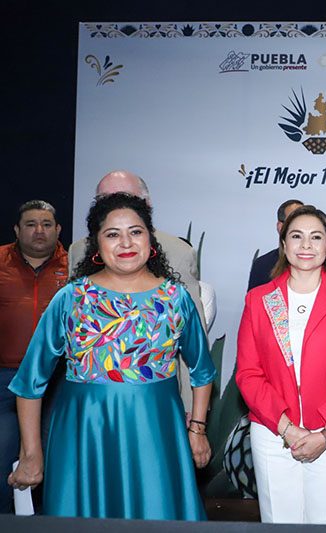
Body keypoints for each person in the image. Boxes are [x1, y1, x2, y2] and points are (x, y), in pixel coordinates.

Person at [7, 193, 215, 520]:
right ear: (97, 244)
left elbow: (202, 371)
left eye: (136, 232)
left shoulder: (176, 299)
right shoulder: (71, 299)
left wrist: (198, 430)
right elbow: (29, 383)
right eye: (113, 234)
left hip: (156, 435)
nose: (126, 243)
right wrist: (31, 453)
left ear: (150, 239)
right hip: (84, 436)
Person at [236, 205, 326, 524]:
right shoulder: (260, 300)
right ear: (283, 244)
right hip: (273, 433)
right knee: (279, 523)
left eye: (316, 237)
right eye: (296, 236)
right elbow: (248, 374)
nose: (306, 245)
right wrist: (287, 428)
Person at [69, 170, 206, 411]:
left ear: (147, 205)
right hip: (89, 402)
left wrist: (190, 410)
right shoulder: (77, 250)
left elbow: (193, 345)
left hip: (153, 400)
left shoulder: (178, 252)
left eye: (124, 197)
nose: (115, 205)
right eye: (104, 199)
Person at [0, 200, 68, 513]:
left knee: (53, 456)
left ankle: (48, 522)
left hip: (57, 381)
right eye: (30, 224)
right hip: (6, 379)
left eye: (46, 224)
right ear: (17, 230)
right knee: (4, 456)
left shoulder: (74, 267)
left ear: (58, 230)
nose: (39, 230)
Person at [247, 199, 304, 291]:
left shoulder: (321, 262)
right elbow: (253, 298)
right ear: (280, 227)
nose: (302, 226)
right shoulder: (262, 264)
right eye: (294, 221)